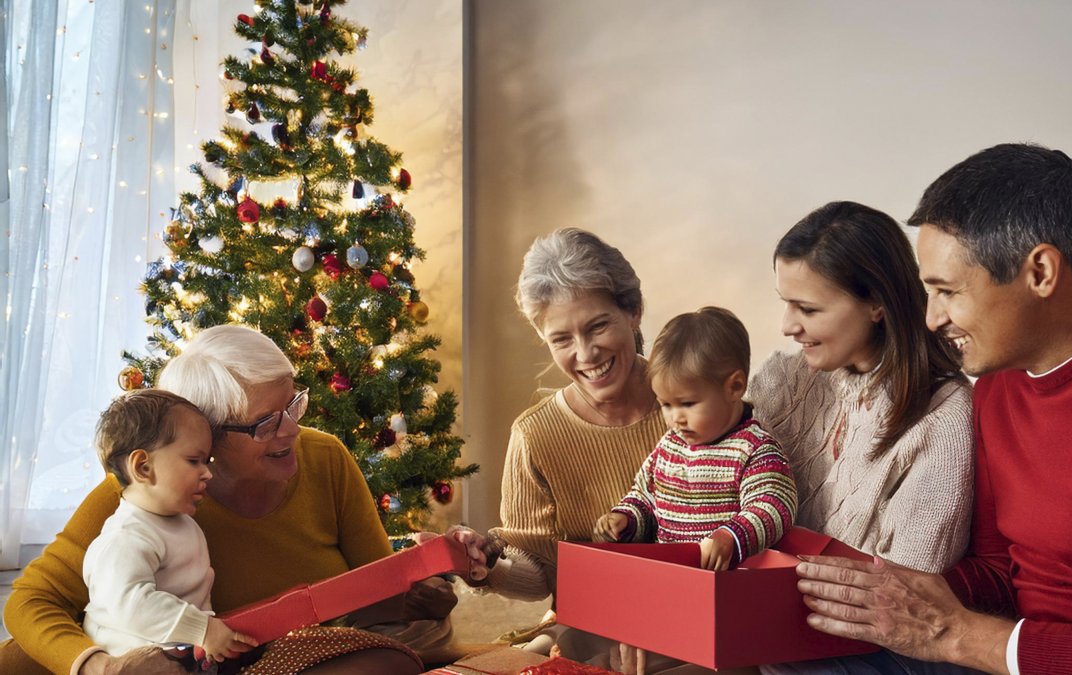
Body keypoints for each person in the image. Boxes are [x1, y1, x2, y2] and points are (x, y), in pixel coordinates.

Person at [791, 144, 1072, 673]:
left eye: (948, 291)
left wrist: (958, 637)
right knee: (792, 653)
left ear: (1041, 273)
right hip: (1003, 657)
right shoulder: (996, 386)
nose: (932, 318)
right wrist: (890, 594)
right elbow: (998, 571)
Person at [1, 325, 492, 675]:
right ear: (205, 437)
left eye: (292, 405)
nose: (292, 430)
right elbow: (31, 601)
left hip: (289, 656)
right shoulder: (141, 496)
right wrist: (100, 667)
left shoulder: (325, 458)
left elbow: (373, 587)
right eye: (266, 423)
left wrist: (419, 591)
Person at [748, 201, 973, 575]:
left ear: (876, 304)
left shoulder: (943, 421)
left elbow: (903, 596)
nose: (788, 326)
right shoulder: (781, 380)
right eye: (785, 303)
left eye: (808, 309)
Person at [485, 227, 666, 602]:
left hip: (695, 614)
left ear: (633, 312)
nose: (585, 354)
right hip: (595, 621)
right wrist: (486, 567)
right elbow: (539, 575)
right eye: (562, 339)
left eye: (597, 326)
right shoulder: (535, 434)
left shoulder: (699, 405)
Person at [594, 306, 797, 571]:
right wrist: (625, 518)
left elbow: (774, 505)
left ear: (734, 387)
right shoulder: (670, 446)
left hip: (728, 583)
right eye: (666, 405)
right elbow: (645, 496)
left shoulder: (754, 449)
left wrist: (731, 537)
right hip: (670, 574)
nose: (675, 417)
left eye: (688, 404)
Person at [82, 389, 255, 664]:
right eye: (193, 461)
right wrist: (203, 629)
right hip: (130, 660)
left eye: (206, 462)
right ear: (143, 467)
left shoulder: (183, 523)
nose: (207, 473)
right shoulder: (127, 535)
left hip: (185, 655)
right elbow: (131, 604)